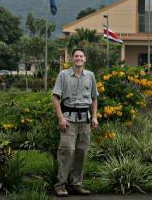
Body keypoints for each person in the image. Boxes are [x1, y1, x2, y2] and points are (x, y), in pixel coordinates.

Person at [52, 48, 99, 197]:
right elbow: (55, 97)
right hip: (68, 119)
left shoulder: (90, 76)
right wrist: (60, 117)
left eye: (81, 56)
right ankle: (60, 185)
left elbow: (94, 98)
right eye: (76, 56)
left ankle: (76, 184)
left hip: (85, 120)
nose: (78, 58)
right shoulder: (63, 75)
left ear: (84, 59)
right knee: (67, 151)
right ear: (73, 59)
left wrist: (94, 117)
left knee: (81, 152)